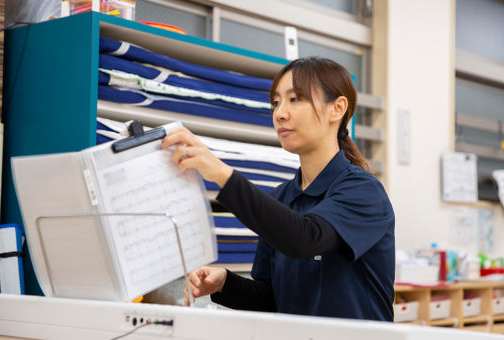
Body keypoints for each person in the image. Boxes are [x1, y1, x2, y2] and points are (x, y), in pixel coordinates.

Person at [161, 57, 395, 321]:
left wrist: (221, 174)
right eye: (275, 102)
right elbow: (270, 298)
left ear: (337, 109)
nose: (280, 113)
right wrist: (225, 283)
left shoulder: (364, 191)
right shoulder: (282, 198)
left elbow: (305, 238)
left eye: (295, 99)